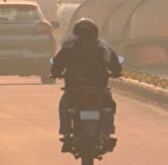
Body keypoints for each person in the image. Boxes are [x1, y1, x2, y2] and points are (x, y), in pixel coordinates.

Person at [50, 18, 123, 152]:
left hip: (75, 88)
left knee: (64, 107)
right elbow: (115, 65)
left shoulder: (69, 47)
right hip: (99, 88)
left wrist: (55, 74)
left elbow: (58, 64)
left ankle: (66, 135)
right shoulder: (102, 47)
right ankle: (107, 134)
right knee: (109, 107)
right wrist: (116, 73)